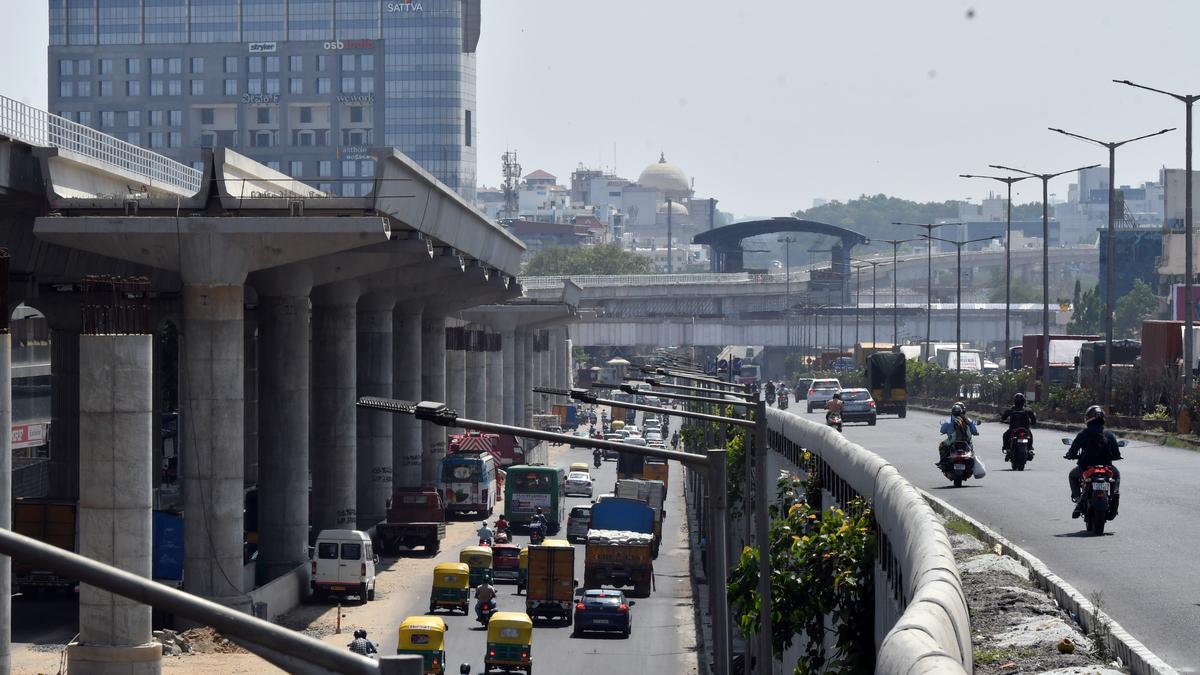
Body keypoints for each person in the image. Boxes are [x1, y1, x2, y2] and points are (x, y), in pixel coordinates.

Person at [1064, 404, 1123, 519]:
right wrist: (1115, 457)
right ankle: (1115, 495)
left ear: (1088, 418)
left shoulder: (1083, 434)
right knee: (1116, 475)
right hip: (1106, 468)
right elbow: (1116, 453)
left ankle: (1079, 500)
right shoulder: (1109, 434)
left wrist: (1070, 455)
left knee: (1072, 475)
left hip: (1086, 467)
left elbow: (1073, 450)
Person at [1000, 393, 1038, 460]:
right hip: (1025, 430)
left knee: (1005, 435)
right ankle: (1030, 449)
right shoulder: (1027, 410)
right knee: (1030, 436)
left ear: (1014, 401)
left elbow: (1003, 418)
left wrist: (1003, 420)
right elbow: (1034, 420)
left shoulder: (1011, 410)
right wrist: (1033, 423)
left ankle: (1007, 449)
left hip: (1013, 429)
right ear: (1024, 401)